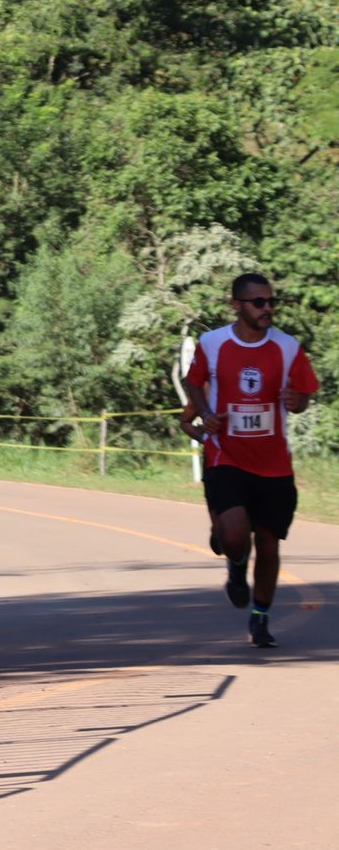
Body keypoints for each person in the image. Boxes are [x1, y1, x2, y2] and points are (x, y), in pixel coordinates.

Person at [179, 272, 319, 648]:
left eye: (271, 301)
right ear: (236, 306)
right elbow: (193, 380)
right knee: (236, 536)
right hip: (226, 456)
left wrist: (298, 402)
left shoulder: (287, 347)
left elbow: (304, 394)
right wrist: (206, 413)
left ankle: (260, 617)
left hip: (274, 464)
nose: (267, 308)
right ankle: (237, 567)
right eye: (259, 302)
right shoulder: (213, 343)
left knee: (269, 544)